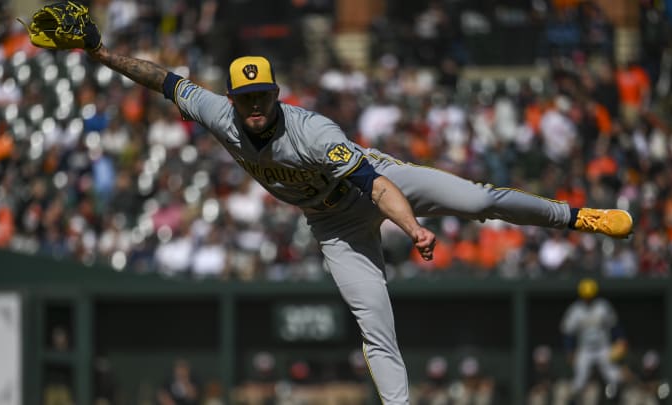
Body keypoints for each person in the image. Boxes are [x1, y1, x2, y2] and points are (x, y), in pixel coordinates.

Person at [32, 9, 634, 403]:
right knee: (375, 325)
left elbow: (377, 186)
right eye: (244, 98)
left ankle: (576, 217)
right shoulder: (221, 115)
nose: (252, 106)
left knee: (480, 199)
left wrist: (414, 229)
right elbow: (163, 80)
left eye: (261, 95)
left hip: (379, 186)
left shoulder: (312, 131)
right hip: (334, 226)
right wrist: (99, 53)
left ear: (276, 93)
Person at [560, 278, 627, 405]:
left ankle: (617, 402)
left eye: (590, 295)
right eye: (586, 296)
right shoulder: (576, 310)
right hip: (585, 349)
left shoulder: (603, 307)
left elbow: (614, 326)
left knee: (613, 377)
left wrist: (620, 339)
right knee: (579, 381)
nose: (588, 298)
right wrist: (569, 350)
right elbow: (568, 333)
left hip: (603, 348)